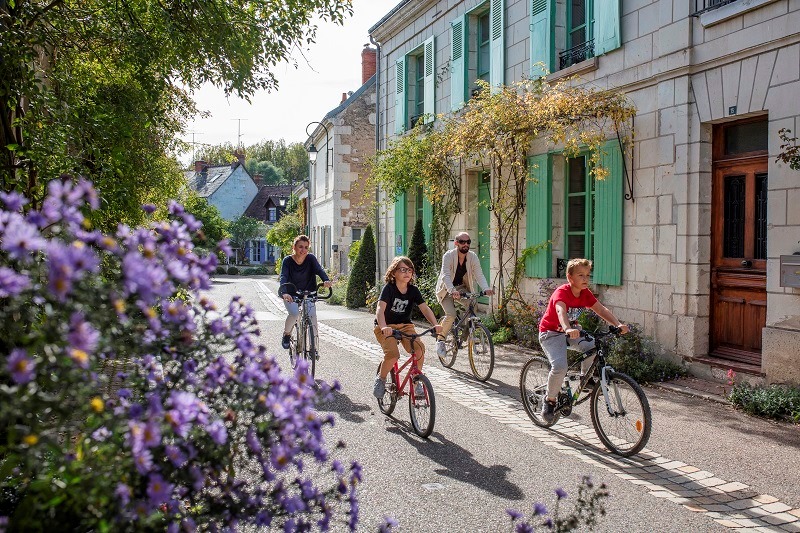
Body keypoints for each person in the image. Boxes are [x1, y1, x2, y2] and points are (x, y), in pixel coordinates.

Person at [538, 258, 629, 423]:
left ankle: (585, 380)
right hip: (551, 333)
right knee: (560, 366)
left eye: (588, 275)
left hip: (570, 332)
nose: (586, 278)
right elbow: (560, 311)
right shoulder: (562, 292)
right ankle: (549, 400)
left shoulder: (585, 293)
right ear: (570, 277)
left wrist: (618, 324)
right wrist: (567, 328)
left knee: (592, 345)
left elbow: (601, 309)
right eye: (581, 275)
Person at [373, 256, 442, 399]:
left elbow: (425, 309)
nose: (407, 273)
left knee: (419, 350)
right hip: (386, 326)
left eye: (410, 270)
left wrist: (435, 324)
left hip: (405, 326)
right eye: (403, 269)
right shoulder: (389, 289)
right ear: (394, 273)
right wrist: (384, 326)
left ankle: (416, 383)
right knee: (393, 355)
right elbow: (380, 309)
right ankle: (381, 379)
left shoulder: (413, 290)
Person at [434, 232, 494, 357]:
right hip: (446, 289)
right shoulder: (448, 256)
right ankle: (440, 340)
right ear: (456, 243)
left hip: (461, 288)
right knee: (451, 314)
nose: (465, 244)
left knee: (472, 305)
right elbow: (445, 275)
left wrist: (486, 288)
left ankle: (468, 336)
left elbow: (479, 274)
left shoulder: (472, 257)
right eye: (462, 242)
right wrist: (452, 290)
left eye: (468, 242)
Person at [278, 235, 332, 350]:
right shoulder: (287, 261)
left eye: (306, 247)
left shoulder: (310, 258)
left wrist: (326, 280)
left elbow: (319, 270)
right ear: (294, 247)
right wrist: (284, 292)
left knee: (312, 317)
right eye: (300, 247)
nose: (303, 250)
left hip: (309, 293)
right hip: (291, 294)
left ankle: (314, 347)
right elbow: (283, 276)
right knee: (294, 314)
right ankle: (287, 334)